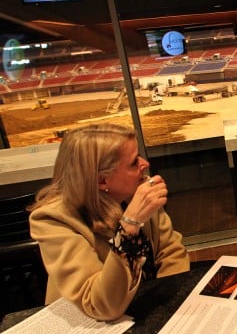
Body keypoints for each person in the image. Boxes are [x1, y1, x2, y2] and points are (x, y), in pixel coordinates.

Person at [29, 123, 190, 321]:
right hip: (93, 323)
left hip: (147, 308)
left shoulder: (134, 191)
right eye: (133, 163)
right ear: (101, 181)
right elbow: (101, 306)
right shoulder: (53, 220)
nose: (144, 164)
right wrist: (130, 226)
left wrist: (172, 306)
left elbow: (171, 251)